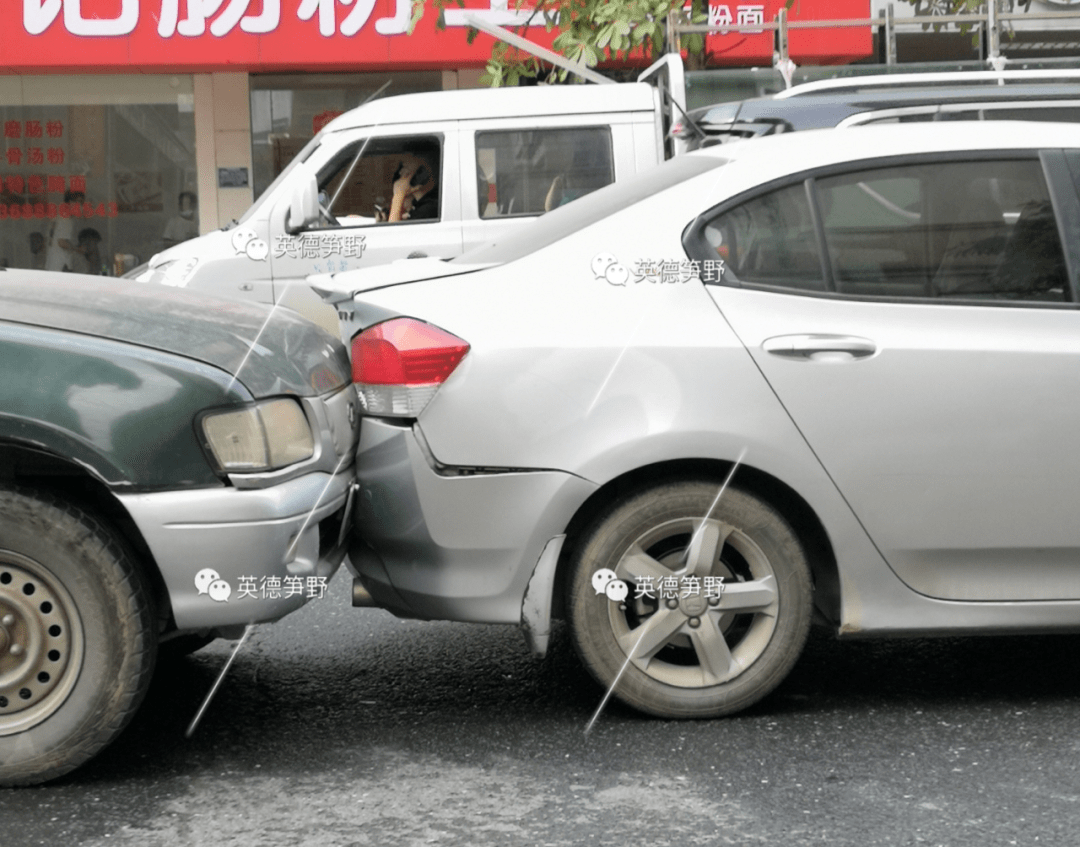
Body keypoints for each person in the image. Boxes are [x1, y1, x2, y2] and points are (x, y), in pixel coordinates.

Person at [383, 157, 438, 223]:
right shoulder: (421, 206)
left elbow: (393, 232)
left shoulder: (427, 210)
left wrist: (399, 194)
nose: (400, 172)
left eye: (405, 167)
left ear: (420, 175)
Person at [45, 190, 85, 272]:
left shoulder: (57, 217)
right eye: (80, 203)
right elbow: (61, 242)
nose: (81, 206)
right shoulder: (66, 220)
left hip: (51, 264)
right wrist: (78, 249)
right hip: (61, 265)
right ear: (70, 202)